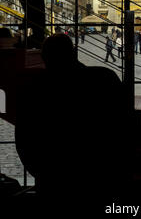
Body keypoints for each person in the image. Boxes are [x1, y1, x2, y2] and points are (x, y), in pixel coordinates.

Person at [15, 34, 131, 206]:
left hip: (53, 181)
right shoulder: (105, 79)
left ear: (44, 57)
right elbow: (124, 126)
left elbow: (24, 138)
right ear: (74, 52)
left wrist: (42, 173)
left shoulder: (35, 89)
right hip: (99, 178)